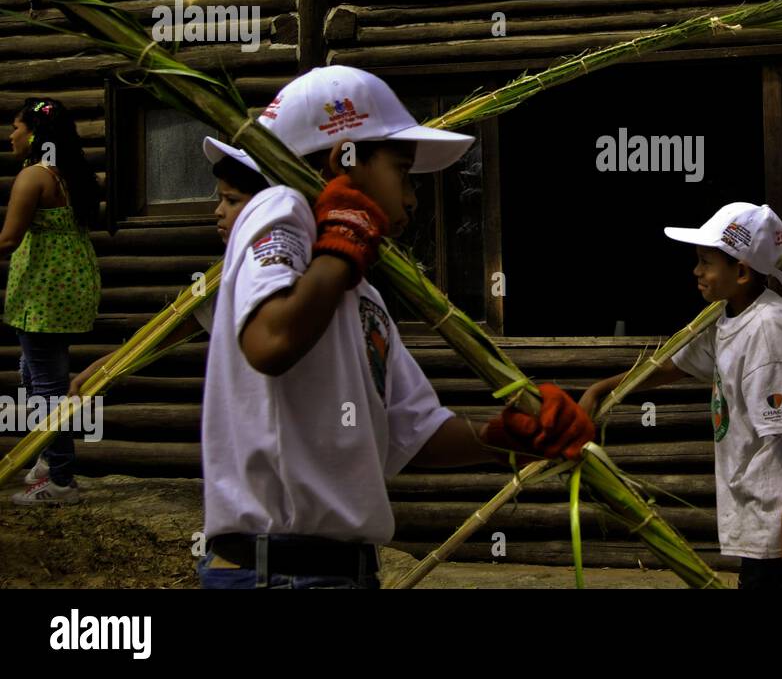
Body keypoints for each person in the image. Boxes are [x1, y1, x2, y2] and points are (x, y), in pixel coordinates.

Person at [197, 66, 594, 588]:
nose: (410, 198)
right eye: (403, 172)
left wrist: (509, 436)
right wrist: (345, 237)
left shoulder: (362, 296)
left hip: (336, 574)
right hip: (280, 573)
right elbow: (270, 342)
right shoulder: (281, 208)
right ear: (347, 159)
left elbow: (415, 433)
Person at [580, 202, 782, 589]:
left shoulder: (766, 328)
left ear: (740, 271)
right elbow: (676, 365)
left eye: (706, 262)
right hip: (764, 515)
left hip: (781, 522)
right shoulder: (731, 318)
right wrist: (602, 388)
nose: (696, 271)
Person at [66, 138, 269, 400]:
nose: (218, 211)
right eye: (220, 199)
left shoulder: (280, 270)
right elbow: (169, 332)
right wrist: (104, 370)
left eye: (231, 200)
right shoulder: (226, 274)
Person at [1, 98, 102, 506]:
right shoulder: (72, 173)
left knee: (46, 388)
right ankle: (49, 455)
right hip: (70, 286)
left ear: (35, 134)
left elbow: (8, 238)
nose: (11, 136)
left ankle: (60, 480)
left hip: (43, 292)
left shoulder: (33, 177)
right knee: (34, 370)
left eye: (16, 128)